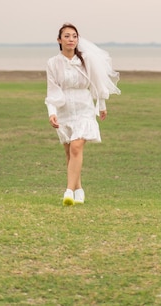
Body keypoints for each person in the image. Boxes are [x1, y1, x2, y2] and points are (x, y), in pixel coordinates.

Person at [45, 22, 121, 206]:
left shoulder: (86, 59)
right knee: (69, 153)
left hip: (84, 107)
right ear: (59, 40)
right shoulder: (53, 63)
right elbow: (52, 89)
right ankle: (79, 190)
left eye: (74, 36)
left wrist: (101, 104)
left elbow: (97, 83)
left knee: (77, 147)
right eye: (67, 36)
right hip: (64, 110)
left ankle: (68, 191)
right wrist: (52, 112)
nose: (71, 39)